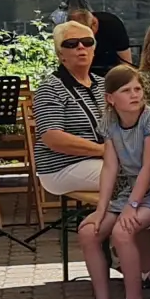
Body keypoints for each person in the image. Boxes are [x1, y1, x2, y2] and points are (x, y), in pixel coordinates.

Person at [78, 65, 150, 299]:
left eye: (138, 89)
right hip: (130, 191)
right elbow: (110, 167)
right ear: (111, 99)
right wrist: (101, 210)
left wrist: (132, 206)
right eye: (126, 91)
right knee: (88, 231)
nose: (135, 94)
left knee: (122, 232)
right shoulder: (110, 122)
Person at [33, 21, 107, 196]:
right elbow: (53, 137)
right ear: (60, 54)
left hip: (103, 160)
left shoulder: (104, 84)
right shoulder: (50, 87)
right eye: (71, 44)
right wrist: (103, 150)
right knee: (136, 178)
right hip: (62, 166)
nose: (81, 47)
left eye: (87, 42)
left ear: (94, 50)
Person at [68, 8, 131, 76]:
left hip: (110, 67)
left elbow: (126, 61)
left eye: (85, 34)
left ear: (94, 24)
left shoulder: (113, 25)